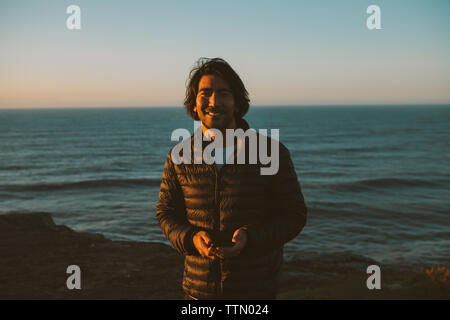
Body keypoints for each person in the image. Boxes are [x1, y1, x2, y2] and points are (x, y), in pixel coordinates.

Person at [156, 57, 307, 300]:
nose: (214, 102)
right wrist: (192, 238)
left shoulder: (270, 152)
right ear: (194, 104)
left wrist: (250, 238)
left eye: (224, 93)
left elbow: (295, 215)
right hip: (197, 292)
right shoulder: (179, 156)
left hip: (255, 291)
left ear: (237, 102)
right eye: (205, 93)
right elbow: (166, 213)